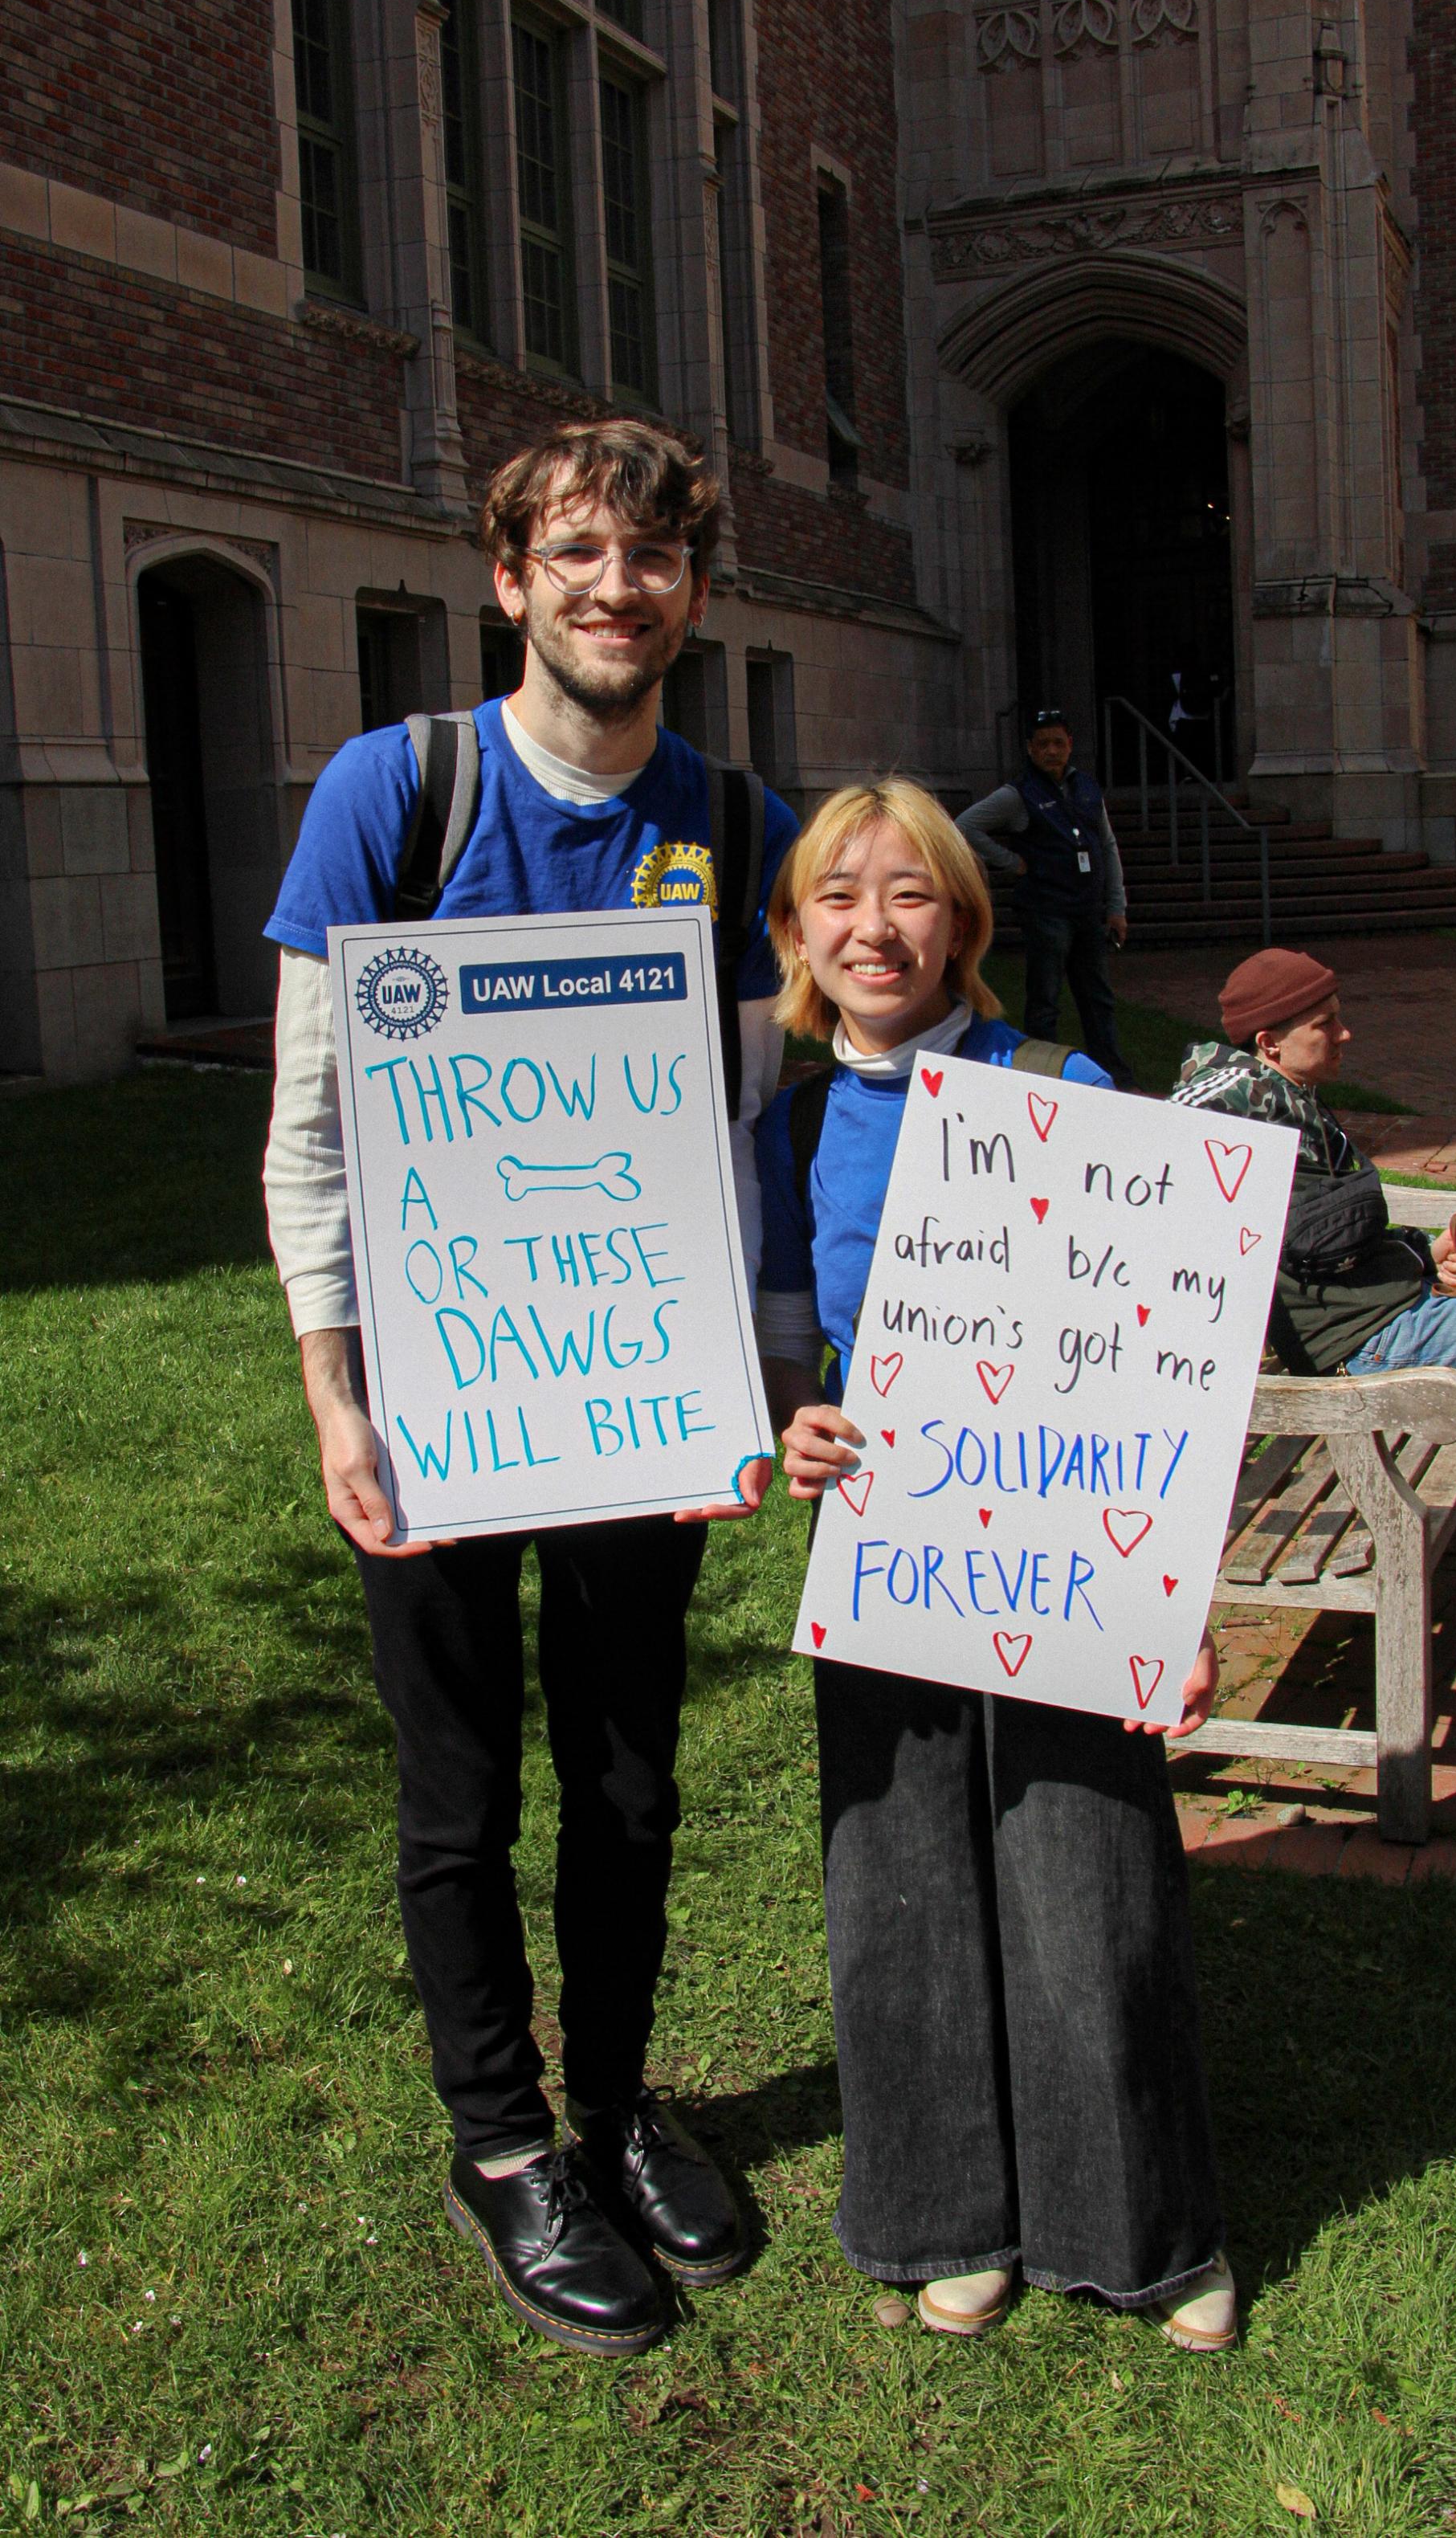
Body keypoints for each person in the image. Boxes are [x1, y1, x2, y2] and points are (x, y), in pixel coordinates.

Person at [262, 417, 799, 2359]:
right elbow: (312, 1131)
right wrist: (335, 1397)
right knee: (461, 1787)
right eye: (574, 549)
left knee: (635, 1778)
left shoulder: (734, 824)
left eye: (650, 556)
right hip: (435, 1396)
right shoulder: (389, 792)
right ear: (508, 578)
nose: (613, 586)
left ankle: (618, 2104)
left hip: (641, 1397)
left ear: (691, 593)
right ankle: (504, 2145)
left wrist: (736, 1379)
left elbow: (745, 1133)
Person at [753, 779, 1234, 2352]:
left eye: (909, 894)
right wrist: (792, 1419)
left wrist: (1184, 1593)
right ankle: (944, 2206)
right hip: (883, 1535)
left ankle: (1139, 2224)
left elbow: (1161, 1349)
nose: (873, 926)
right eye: (839, 896)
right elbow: (766, 1325)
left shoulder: (1062, 1080)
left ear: (963, 922)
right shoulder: (797, 1112)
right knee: (901, 1872)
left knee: (1085, 1857)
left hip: (1064, 1539)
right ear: (800, 933)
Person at [1172, 948, 1456, 1617]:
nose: (1345, 1034)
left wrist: (1429, 1254)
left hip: (1403, 1308)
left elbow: (1339, 1242)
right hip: (1367, 1353)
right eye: (1326, 1023)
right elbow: (1323, 1240)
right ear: (1270, 1042)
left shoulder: (1287, 1105)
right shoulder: (1234, 1131)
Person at [955, 708, 1134, 1087]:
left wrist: (1116, 906)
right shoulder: (1018, 794)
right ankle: (1041, 1079)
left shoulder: (1086, 787)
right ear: (1031, 750)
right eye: (1043, 744)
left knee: (1097, 998)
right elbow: (966, 825)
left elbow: (1107, 844)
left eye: (1058, 743)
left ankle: (1114, 1076)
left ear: (1070, 745)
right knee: (1045, 1000)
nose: (1052, 751)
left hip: (1087, 909)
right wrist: (1009, 862)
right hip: (1046, 909)